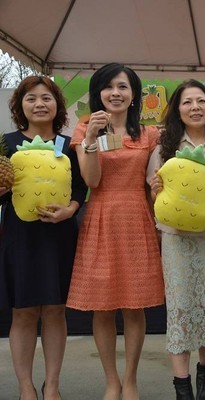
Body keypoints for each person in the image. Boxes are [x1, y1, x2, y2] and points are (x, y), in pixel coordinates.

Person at [66, 63, 164, 400]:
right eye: (108, 87)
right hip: (101, 216)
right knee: (102, 307)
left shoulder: (149, 135)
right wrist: (91, 139)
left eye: (122, 86)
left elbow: (154, 184)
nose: (115, 93)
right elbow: (91, 181)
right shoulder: (83, 129)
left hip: (137, 217)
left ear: (134, 93)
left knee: (135, 306)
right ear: (98, 94)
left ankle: (131, 380)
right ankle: (111, 382)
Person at [146, 79, 205, 400]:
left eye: (201, 101)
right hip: (178, 242)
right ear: (177, 110)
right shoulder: (164, 148)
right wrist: (155, 191)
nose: (195, 107)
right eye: (187, 102)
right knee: (181, 309)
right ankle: (182, 388)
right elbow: (155, 193)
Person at [0, 76, 86, 400]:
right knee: (22, 311)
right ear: (20, 105)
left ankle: (53, 385)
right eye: (31, 98)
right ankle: (26, 387)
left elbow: (80, 186)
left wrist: (72, 209)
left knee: (54, 309)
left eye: (46, 98)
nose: (39, 104)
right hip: (20, 237)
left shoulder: (68, 145)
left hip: (59, 235)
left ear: (57, 105)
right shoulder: (5, 143)